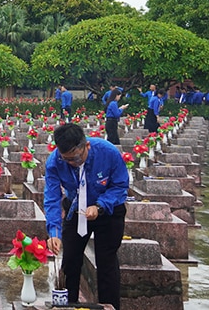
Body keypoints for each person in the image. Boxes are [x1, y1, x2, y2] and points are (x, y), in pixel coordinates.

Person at [44, 123, 128, 310]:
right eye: (66, 159)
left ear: (86, 146)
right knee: (70, 260)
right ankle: (67, 306)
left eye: (75, 158)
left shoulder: (108, 152)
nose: (72, 163)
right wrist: (54, 231)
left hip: (108, 210)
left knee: (106, 262)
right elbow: (52, 197)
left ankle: (109, 306)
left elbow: (120, 186)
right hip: (76, 208)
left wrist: (100, 206)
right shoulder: (55, 162)